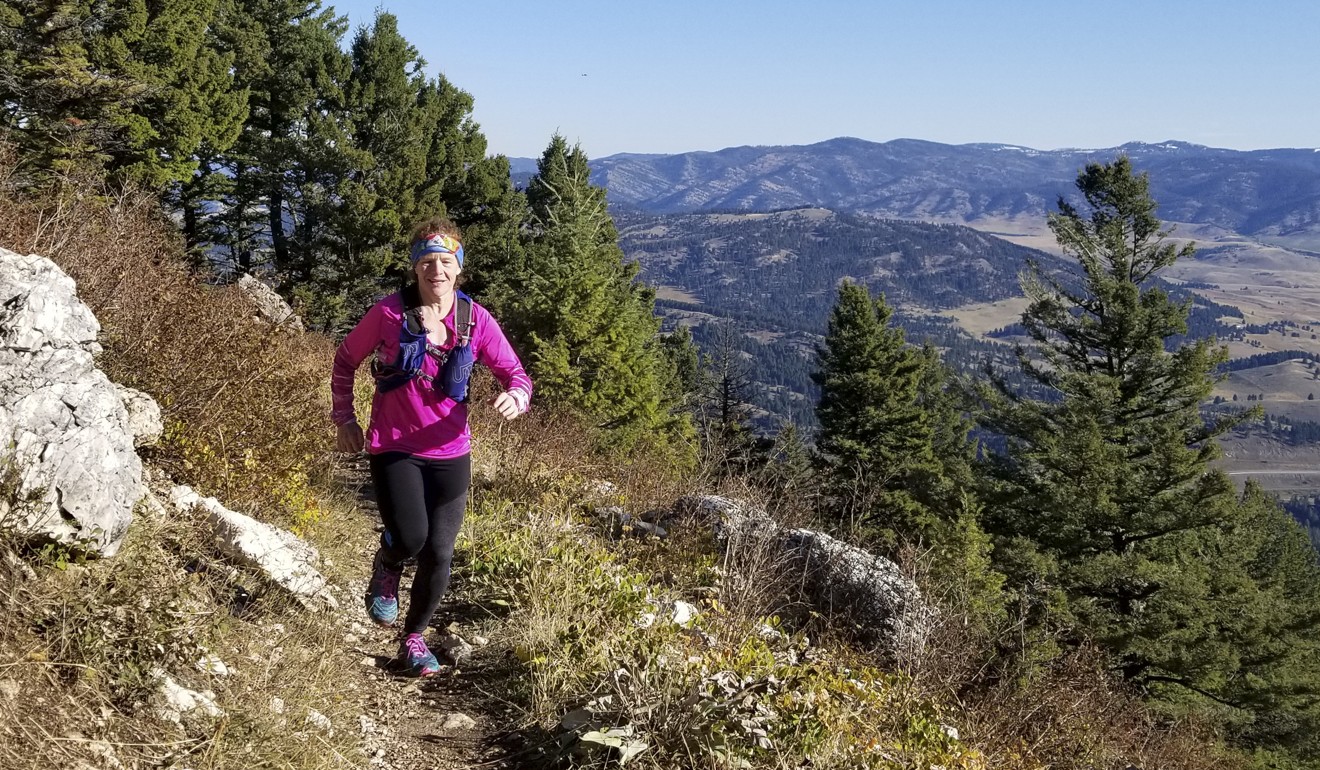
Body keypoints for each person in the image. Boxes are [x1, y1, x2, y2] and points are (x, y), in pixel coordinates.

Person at [330, 217, 532, 677]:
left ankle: (414, 639)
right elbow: (345, 361)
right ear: (414, 268)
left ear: (458, 269)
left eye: (445, 262)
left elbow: (518, 376)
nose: (435, 270)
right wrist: (345, 418)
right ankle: (390, 558)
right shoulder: (387, 314)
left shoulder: (476, 320)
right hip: (393, 446)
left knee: (441, 551)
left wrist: (515, 398)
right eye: (426, 262)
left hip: (450, 451)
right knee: (413, 538)